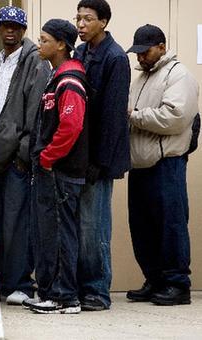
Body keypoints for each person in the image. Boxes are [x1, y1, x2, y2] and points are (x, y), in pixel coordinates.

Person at [126, 24, 199, 306]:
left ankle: (177, 284)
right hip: (141, 164)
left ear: (161, 47)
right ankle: (155, 280)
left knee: (171, 225)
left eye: (145, 52)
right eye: (137, 53)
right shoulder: (144, 77)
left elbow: (175, 117)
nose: (140, 57)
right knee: (143, 226)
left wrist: (134, 115)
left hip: (166, 163)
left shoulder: (179, 75)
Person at [0, 5, 50, 305]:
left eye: (16, 26)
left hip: (16, 159)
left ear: (23, 31)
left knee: (18, 224)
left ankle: (22, 284)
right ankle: (2, 282)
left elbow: (36, 112)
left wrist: (24, 153)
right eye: (4, 25)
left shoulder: (35, 61)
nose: (10, 30)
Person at [25, 19, 89, 314]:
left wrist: (48, 157)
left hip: (61, 172)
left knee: (62, 232)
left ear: (62, 44)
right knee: (48, 232)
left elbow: (71, 126)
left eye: (45, 39)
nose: (40, 44)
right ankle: (49, 291)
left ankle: (66, 297)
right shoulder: (57, 76)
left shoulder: (70, 80)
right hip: (51, 172)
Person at [73, 0, 131, 311]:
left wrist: (100, 162)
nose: (81, 25)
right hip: (79, 156)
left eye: (88, 19)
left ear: (104, 22)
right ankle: (80, 287)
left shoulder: (115, 57)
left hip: (99, 159)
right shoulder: (80, 53)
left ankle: (97, 291)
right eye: (78, 18)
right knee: (80, 225)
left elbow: (112, 117)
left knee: (94, 227)